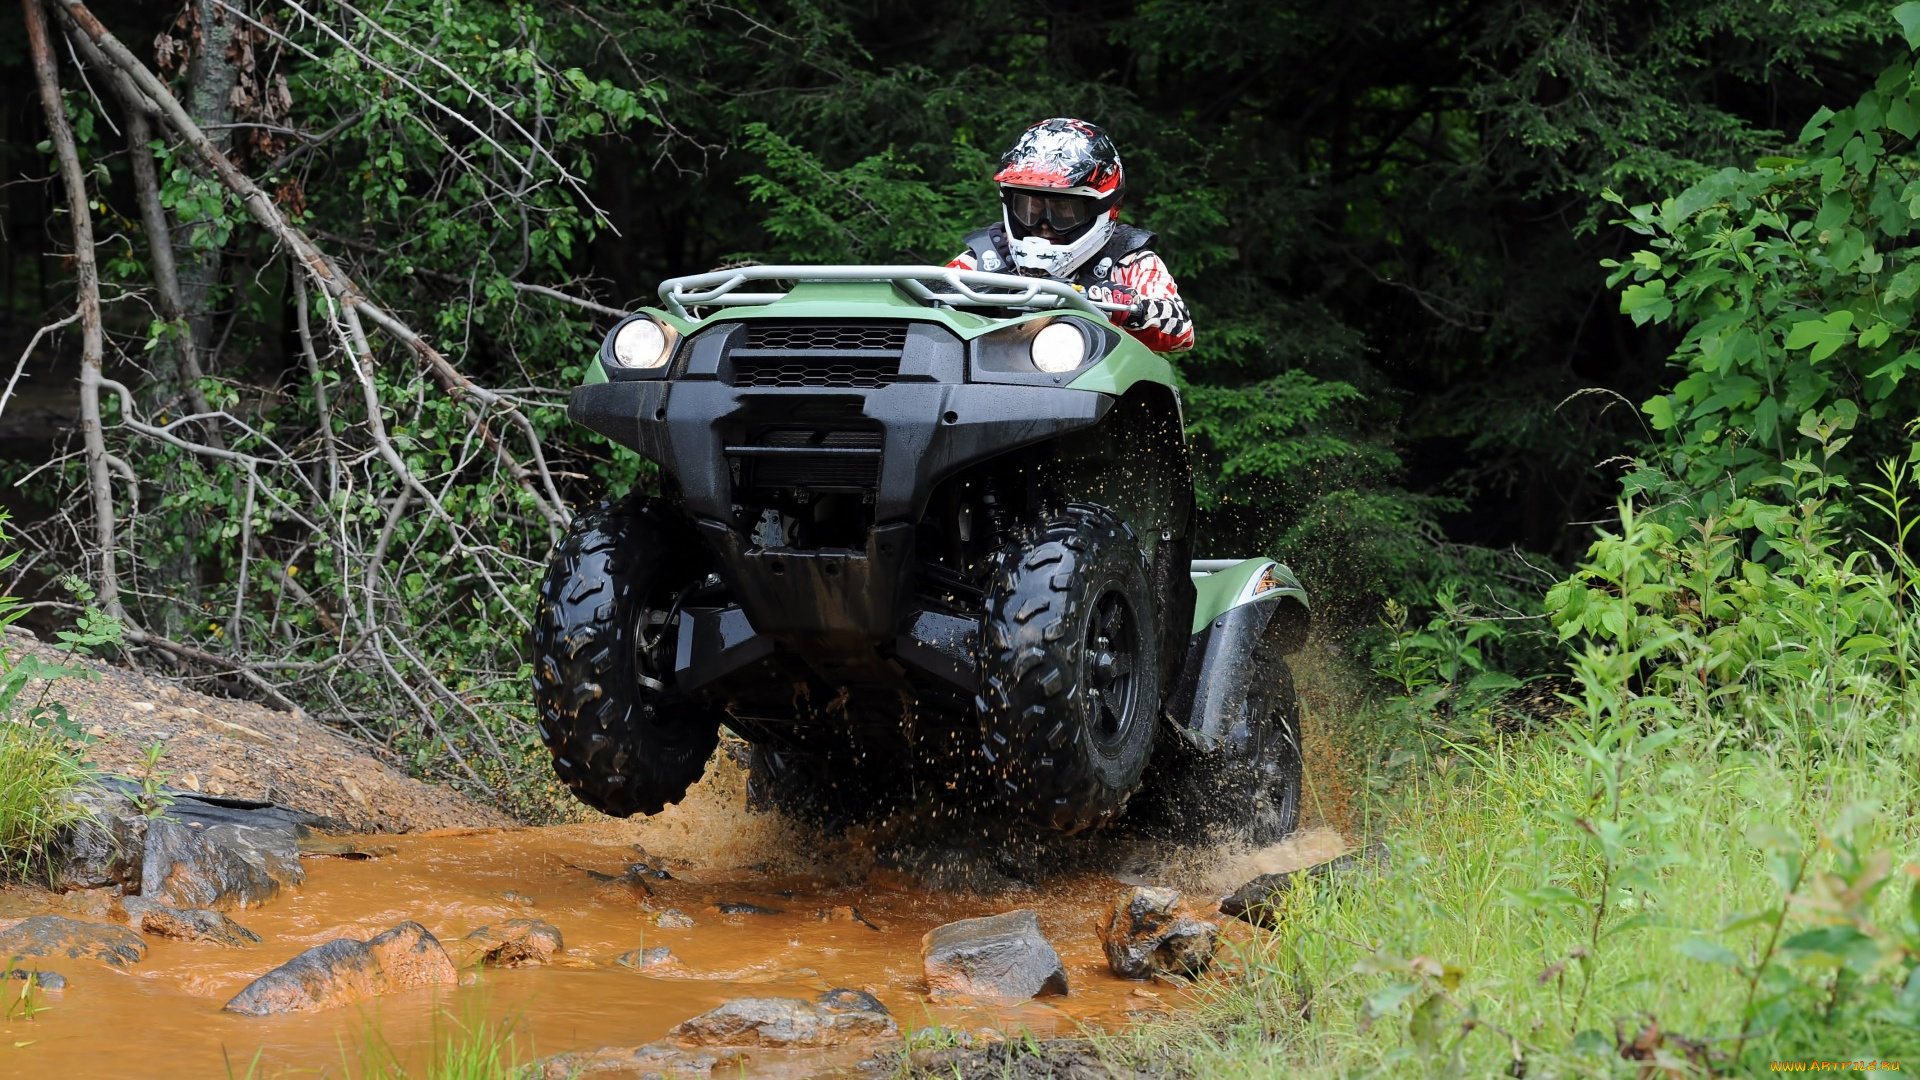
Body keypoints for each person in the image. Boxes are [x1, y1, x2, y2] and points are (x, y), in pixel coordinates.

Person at [947, 117, 1194, 354]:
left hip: (1096, 383)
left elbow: (1182, 333)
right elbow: (925, 301)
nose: (1043, 225)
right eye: (1030, 208)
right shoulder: (984, 258)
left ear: (1100, 209)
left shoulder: (1129, 261)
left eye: (1063, 211)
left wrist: (1133, 307)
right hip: (989, 382)